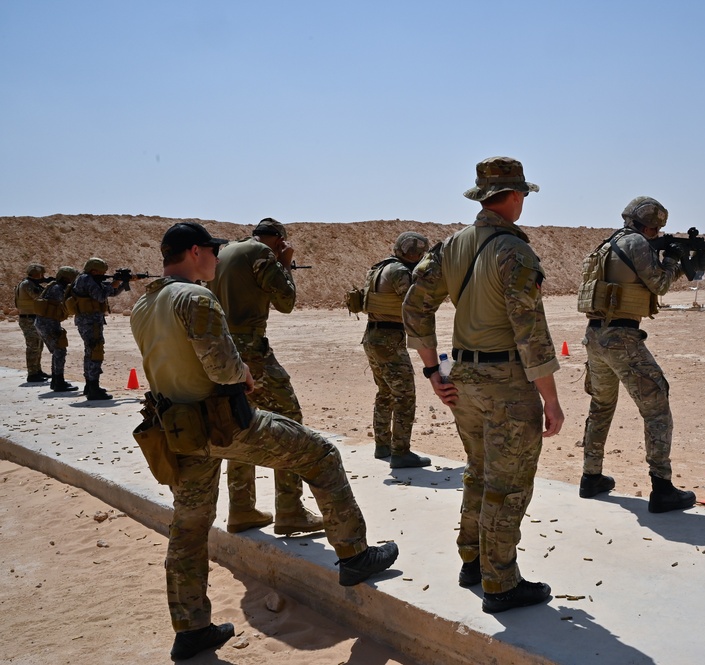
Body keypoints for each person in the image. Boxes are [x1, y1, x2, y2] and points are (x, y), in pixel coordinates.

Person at [131, 222, 399, 660]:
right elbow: (223, 368)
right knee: (321, 455)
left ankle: (191, 628)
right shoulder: (195, 297)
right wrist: (244, 374)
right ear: (195, 252)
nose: (217, 258)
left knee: (189, 529)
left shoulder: (145, 304)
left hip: (180, 433)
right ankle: (354, 555)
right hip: (223, 423)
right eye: (212, 251)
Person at [402, 156, 564, 614]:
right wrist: (550, 398)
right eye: (523, 195)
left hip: (463, 379)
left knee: (478, 470)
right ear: (513, 197)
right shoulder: (514, 251)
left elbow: (415, 308)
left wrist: (434, 371)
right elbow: (531, 330)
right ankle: (500, 580)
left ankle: (472, 559)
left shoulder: (451, 245)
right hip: (505, 383)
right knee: (507, 484)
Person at [577, 195, 701, 516]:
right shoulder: (637, 244)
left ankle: (591, 476)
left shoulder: (607, 244)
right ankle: (662, 488)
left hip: (595, 335)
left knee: (601, 405)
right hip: (621, 337)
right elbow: (658, 284)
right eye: (657, 228)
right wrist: (675, 262)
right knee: (656, 404)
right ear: (651, 224)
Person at [206, 218, 323, 536]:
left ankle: (241, 507)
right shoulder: (261, 253)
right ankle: (290, 510)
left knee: (240, 423)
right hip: (250, 350)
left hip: (222, 348)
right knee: (289, 422)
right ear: (279, 240)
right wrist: (283, 264)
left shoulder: (226, 251)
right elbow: (286, 302)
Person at [362, 231, 433, 468]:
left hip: (373, 335)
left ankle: (383, 445)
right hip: (389, 339)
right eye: (414, 251)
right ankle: (401, 452)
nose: (416, 254)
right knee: (404, 396)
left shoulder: (381, 267)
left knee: (385, 392)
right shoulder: (400, 272)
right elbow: (413, 303)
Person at [71, 257, 126, 400]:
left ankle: (90, 385)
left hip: (89, 321)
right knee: (95, 351)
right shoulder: (86, 279)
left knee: (90, 352)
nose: (103, 274)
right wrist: (115, 282)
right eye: (101, 272)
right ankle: (93, 388)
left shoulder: (88, 279)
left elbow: (111, 293)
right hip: (90, 322)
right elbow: (101, 296)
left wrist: (121, 283)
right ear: (94, 270)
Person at [34, 266, 79, 393]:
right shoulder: (58, 288)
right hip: (48, 323)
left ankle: (56, 380)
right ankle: (59, 382)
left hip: (44, 322)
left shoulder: (54, 286)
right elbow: (67, 301)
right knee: (60, 351)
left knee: (57, 352)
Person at [14, 263, 50, 383]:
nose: (42, 276)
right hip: (28, 318)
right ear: (37, 274)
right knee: (33, 346)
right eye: (41, 274)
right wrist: (50, 286)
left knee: (38, 345)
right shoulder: (27, 284)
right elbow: (39, 296)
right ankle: (32, 374)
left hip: (32, 318)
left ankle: (37, 370)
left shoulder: (28, 283)